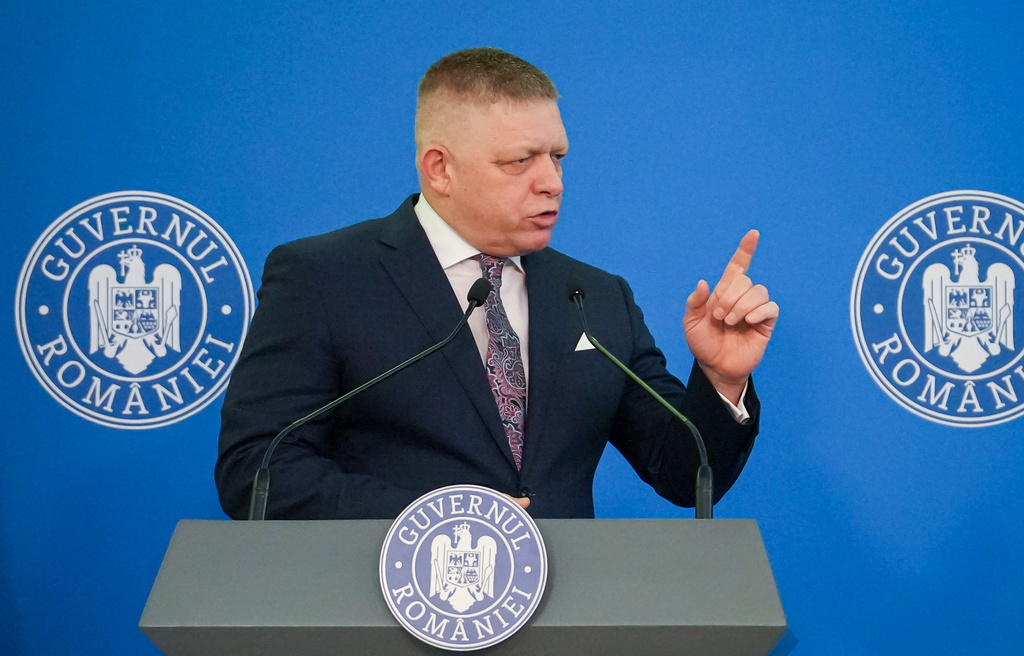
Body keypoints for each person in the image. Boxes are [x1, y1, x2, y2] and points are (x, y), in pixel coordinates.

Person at [215, 47, 778, 522]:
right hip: (385, 634)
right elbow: (259, 472)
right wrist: (451, 518)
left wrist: (721, 379)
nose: (551, 182)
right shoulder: (324, 278)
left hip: (566, 639)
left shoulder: (596, 297)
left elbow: (684, 474)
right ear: (440, 169)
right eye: (520, 161)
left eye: (558, 157)